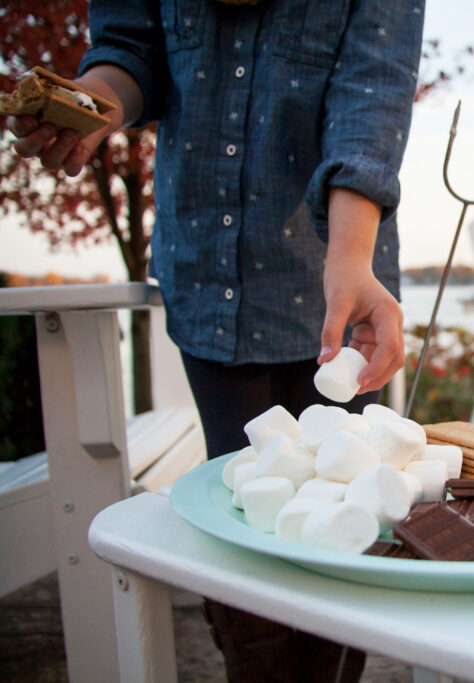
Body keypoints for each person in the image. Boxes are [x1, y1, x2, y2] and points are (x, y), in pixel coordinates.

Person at [7, 1, 425, 680]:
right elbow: (130, 50)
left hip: (336, 276)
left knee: (343, 509)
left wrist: (350, 257)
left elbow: (370, 94)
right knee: (241, 509)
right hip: (207, 271)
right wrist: (93, 103)